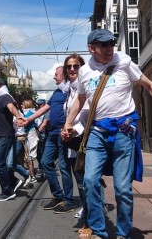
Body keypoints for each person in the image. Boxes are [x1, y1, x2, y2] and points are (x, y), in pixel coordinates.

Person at [64, 29, 152, 239]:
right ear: (91, 48)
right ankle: (98, 230)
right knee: (89, 181)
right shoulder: (85, 71)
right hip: (97, 131)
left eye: (111, 43)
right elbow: (79, 100)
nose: (109, 48)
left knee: (123, 188)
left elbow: (148, 84)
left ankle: (124, 233)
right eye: (103, 45)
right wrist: (68, 123)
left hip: (124, 131)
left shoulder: (123, 62)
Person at [19, 66, 75, 213]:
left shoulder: (71, 90)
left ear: (64, 75)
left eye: (56, 74)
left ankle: (68, 200)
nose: (54, 77)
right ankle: (58, 195)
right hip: (52, 133)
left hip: (64, 132)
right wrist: (28, 119)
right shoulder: (56, 92)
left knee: (64, 167)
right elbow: (44, 109)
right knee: (45, 162)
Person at [59, 53, 94, 237]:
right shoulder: (71, 90)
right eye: (69, 67)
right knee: (82, 182)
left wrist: (72, 130)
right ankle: (92, 216)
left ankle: (90, 222)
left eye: (76, 66)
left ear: (82, 68)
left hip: (83, 140)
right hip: (73, 143)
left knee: (84, 183)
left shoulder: (85, 89)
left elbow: (87, 115)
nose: (72, 69)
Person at [0, 77, 24, 202]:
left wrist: (18, 117)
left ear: (2, 86)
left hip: (4, 135)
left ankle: (8, 191)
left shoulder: (6, 97)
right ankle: (13, 181)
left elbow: (12, 108)